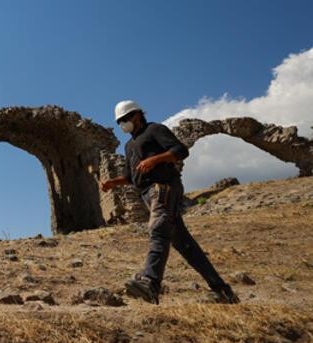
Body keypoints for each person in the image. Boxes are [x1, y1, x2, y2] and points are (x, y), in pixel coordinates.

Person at [99, 100, 239, 305]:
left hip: (163, 187)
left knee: (158, 229)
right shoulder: (129, 146)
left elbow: (181, 150)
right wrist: (113, 183)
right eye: (120, 121)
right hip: (147, 194)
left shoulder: (154, 130)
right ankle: (223, 291)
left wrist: (155, 160)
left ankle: (151, 283)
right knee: (186, 245)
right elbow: (131, 177)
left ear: (137, 115)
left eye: (125, 119)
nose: (123, 124)